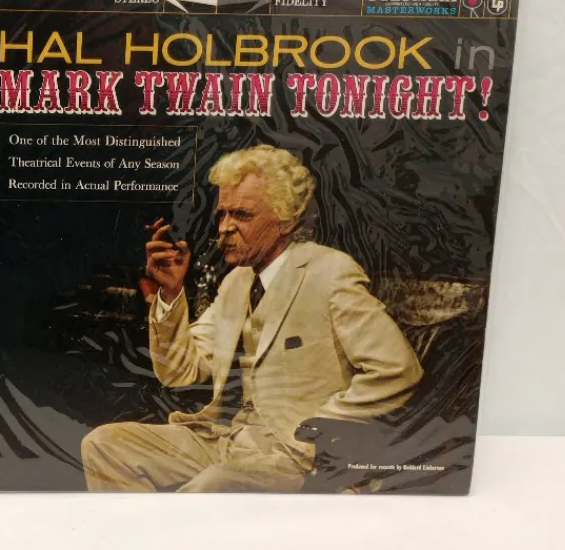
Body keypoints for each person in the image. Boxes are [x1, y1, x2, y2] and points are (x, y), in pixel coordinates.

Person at [80, 144, 423, 492]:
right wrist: (170, 293)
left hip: (296, 455)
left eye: (241, 215)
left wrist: (325, 425)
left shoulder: (329, 272)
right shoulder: (237, 283)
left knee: (210, 487)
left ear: (286, 219)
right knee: (105, 445)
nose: (224, 228)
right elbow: (179, 371)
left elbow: (397, 368)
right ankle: (145, 529)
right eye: (222, 214)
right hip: (230, 441)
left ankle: (172, 528)